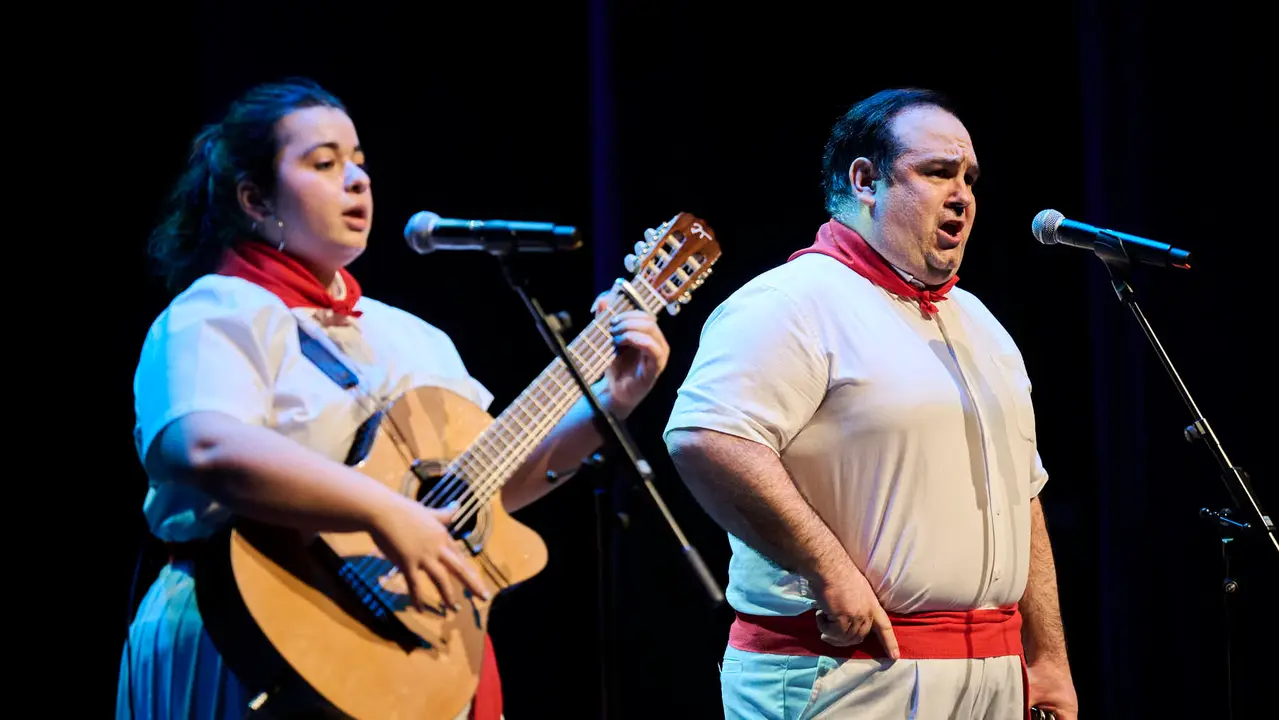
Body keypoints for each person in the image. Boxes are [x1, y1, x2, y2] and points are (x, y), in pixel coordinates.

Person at [117, 77, 671, 720]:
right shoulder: (217, 310)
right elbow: (203, 444)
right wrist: (385, 511)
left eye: (359, 162)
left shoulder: (412, 337)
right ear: (254, 197)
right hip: (243, 627)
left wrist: (611, 402)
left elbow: (484, 490)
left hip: (403, 654)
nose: (356, 180)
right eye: (324, 163)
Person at [663, 88, 1079, 719]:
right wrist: (828, 568)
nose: (962, 194)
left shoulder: (980, 324)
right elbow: (706, 438)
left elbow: (1024, 493)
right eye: (937, 172)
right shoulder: (792, 302)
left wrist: (1046, 655)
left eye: (969, 177)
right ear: (865, 181)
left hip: (991, 677)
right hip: (845, 674)